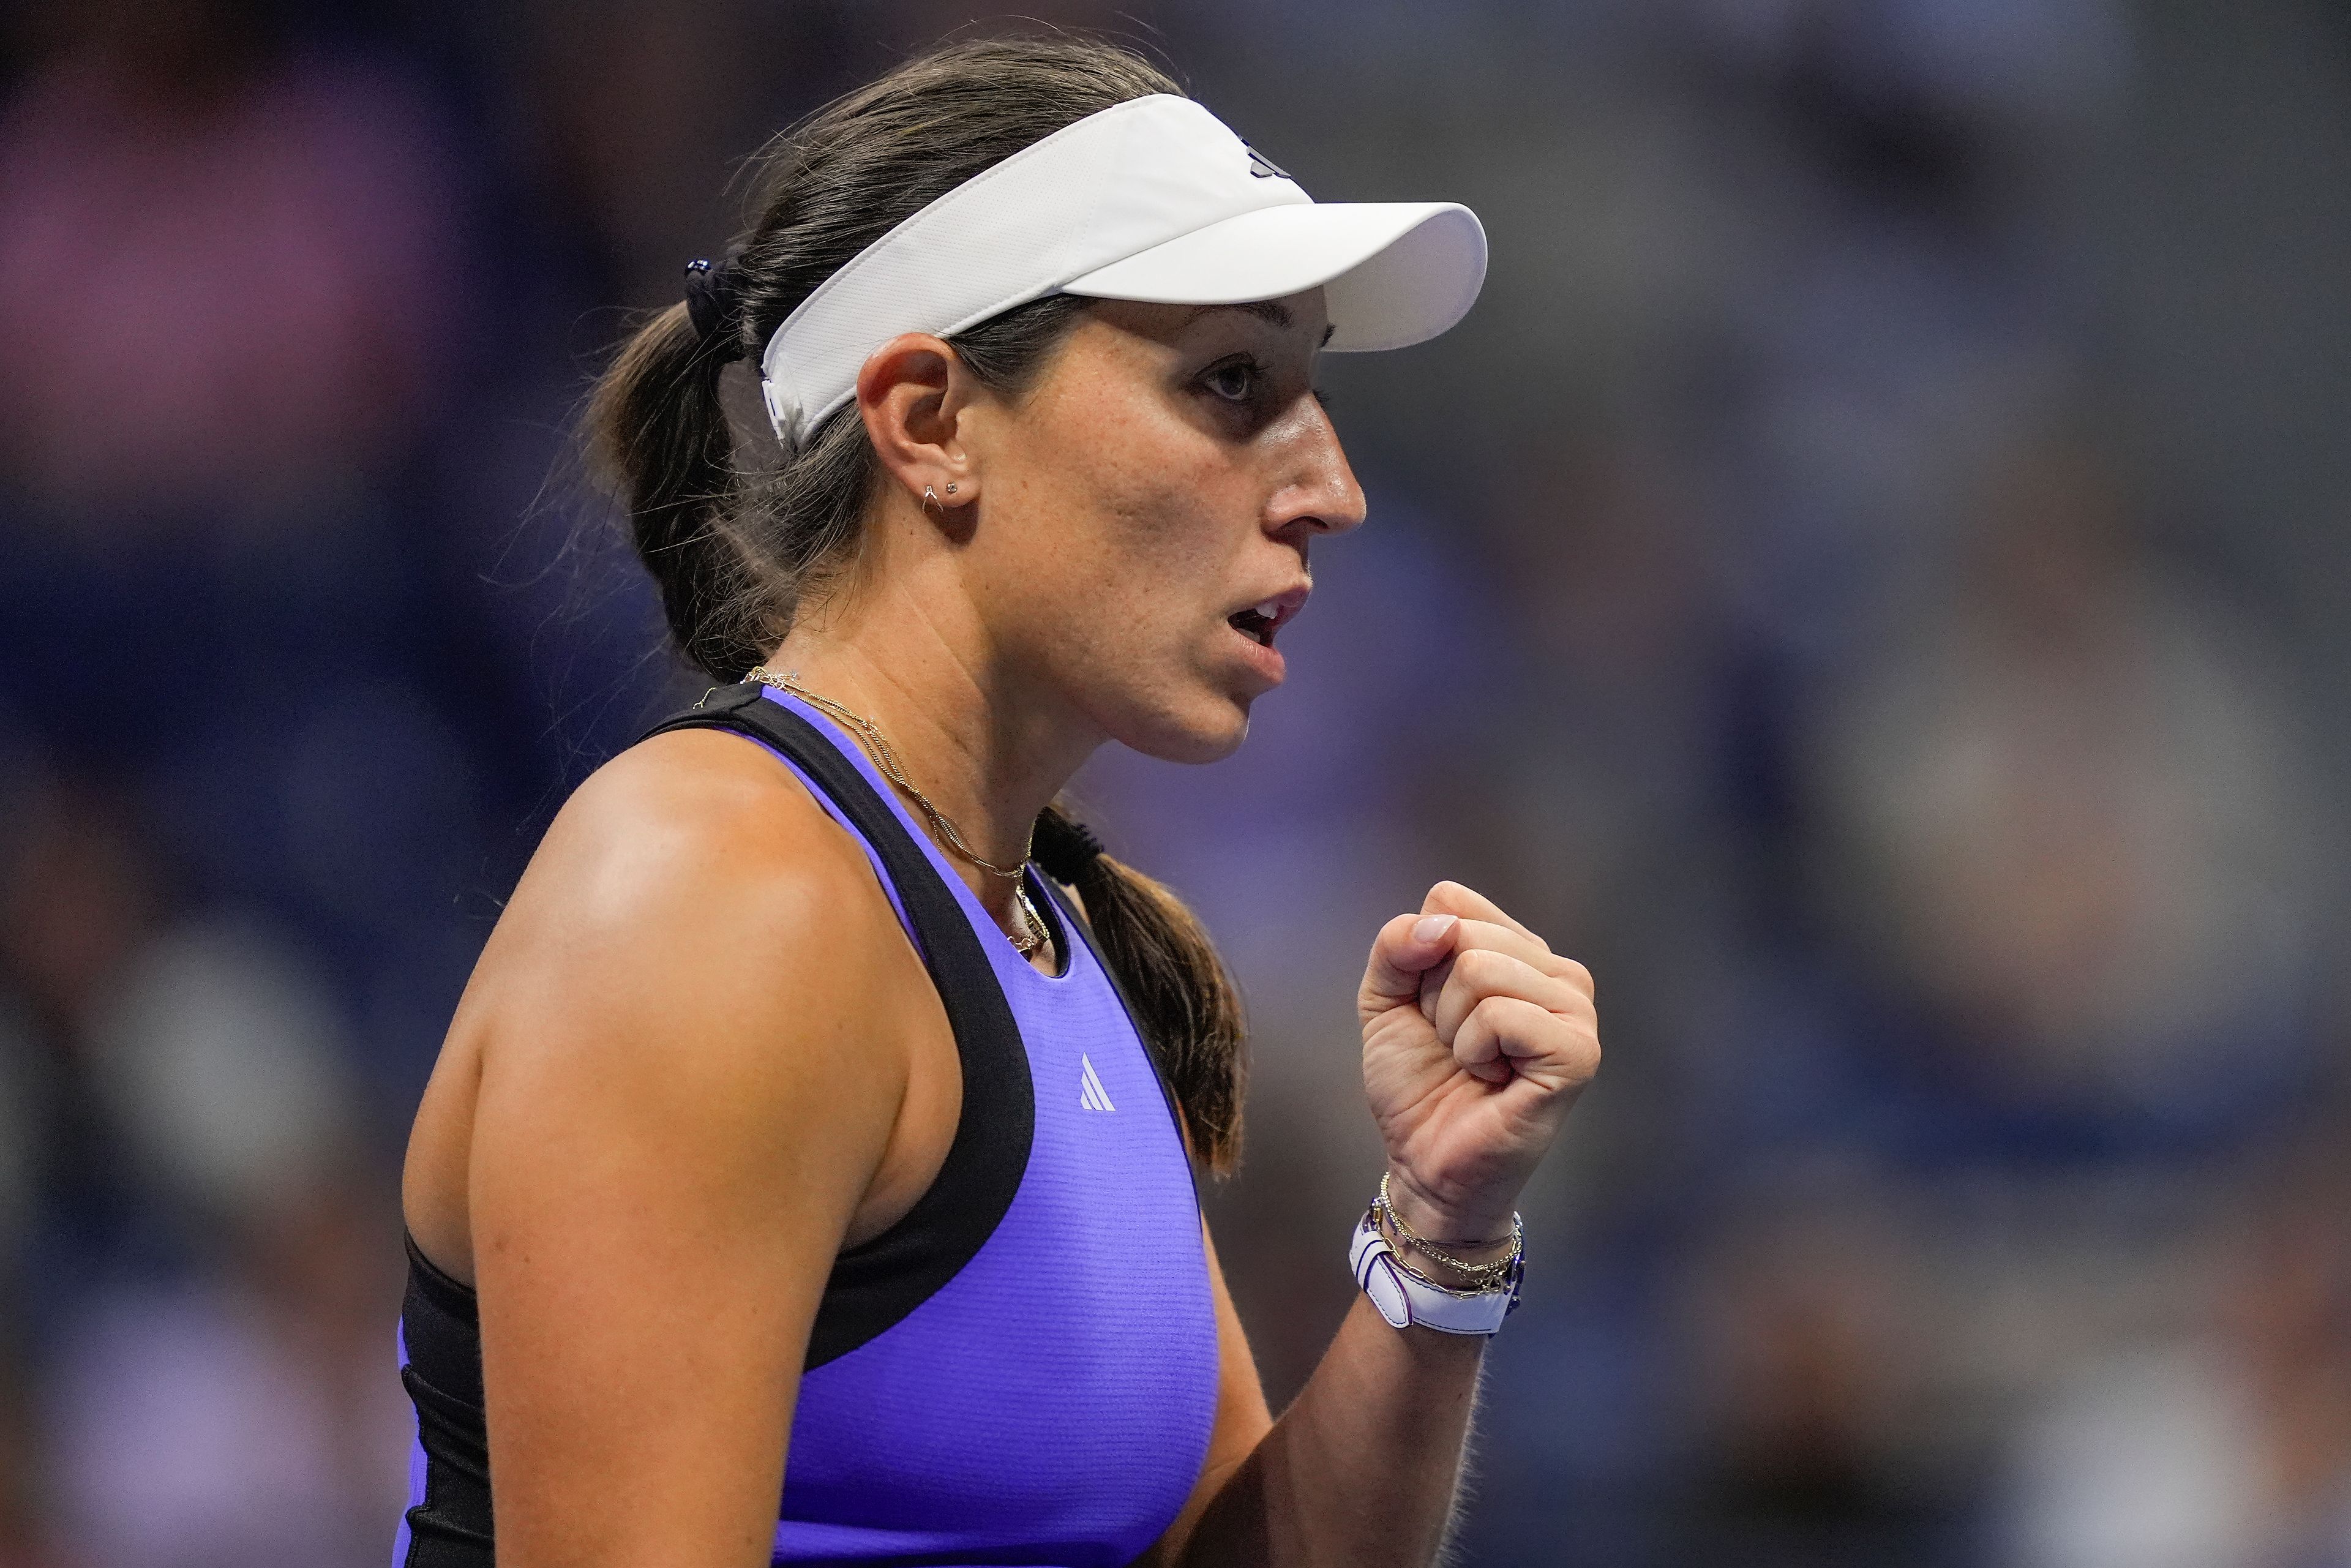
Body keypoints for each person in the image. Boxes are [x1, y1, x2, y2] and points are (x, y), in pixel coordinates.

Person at [392, 35, 1601, 1568]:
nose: (1332, 486)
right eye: (1233, 381)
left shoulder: (1053, 925)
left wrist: (1439, 1236)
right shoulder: (716, 902)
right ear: (932, 421)